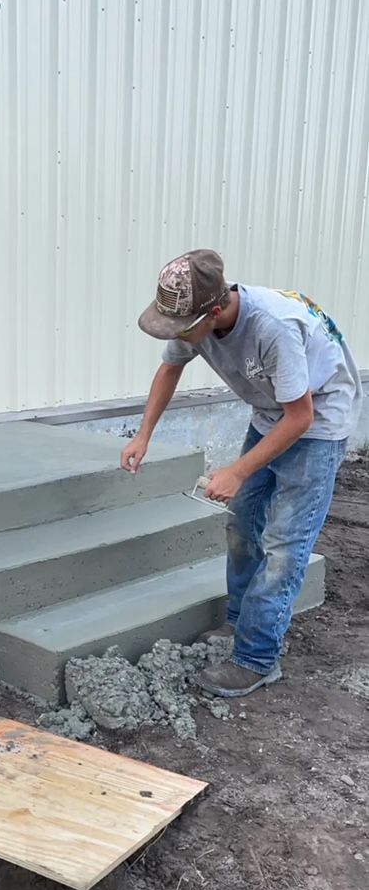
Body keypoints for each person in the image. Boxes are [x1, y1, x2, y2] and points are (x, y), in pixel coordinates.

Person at [122, 249, 362, 698]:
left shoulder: (272, 328)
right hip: (272, 414)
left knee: (284, 545)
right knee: (241, 525)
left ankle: (256, 657)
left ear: (214, 311)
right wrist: (143, 435)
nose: (177, 335)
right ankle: (238, 622)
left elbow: (301, 418)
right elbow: (169, 368)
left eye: (183, 328)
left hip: (319, 418)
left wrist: (237, 470)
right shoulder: (191, 318)